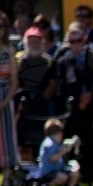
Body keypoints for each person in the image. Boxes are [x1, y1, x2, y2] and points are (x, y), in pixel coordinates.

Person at [55, 22, 93, 186]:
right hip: (76, 108)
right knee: (78, 142)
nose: (75, 45)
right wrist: (79, 98)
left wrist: (90, 96)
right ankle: (81, 176)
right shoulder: (64, 61)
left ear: (85, 39)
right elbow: (62, 86)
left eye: (78, 40)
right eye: (71, 41)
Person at [16, 26, 57, 156]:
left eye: (36, 41)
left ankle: (45, 162)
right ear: (25, 43)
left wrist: (41, 100)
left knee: (47, 130)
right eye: (31, 42)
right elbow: (15, 83)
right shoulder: (19, 61)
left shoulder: (49, 62)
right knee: (21, 134)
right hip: (23, 104)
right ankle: (25, 166)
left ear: (42, 43)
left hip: (44, 103)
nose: (34, 44)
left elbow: (53, 84)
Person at [30, 118, 81, 186]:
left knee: (74, 170)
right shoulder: (49, 143)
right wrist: (63, 152)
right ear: (59, 133)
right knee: (63, 177)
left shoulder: (55, 143)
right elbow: (52, 158)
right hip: (49, 171)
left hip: (58, 169)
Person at [0, 12, 19, 186]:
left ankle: (6, 181)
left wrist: (5, 101)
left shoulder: (9, 51)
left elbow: (14, 82)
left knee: (6, 138)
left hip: (5, 96)